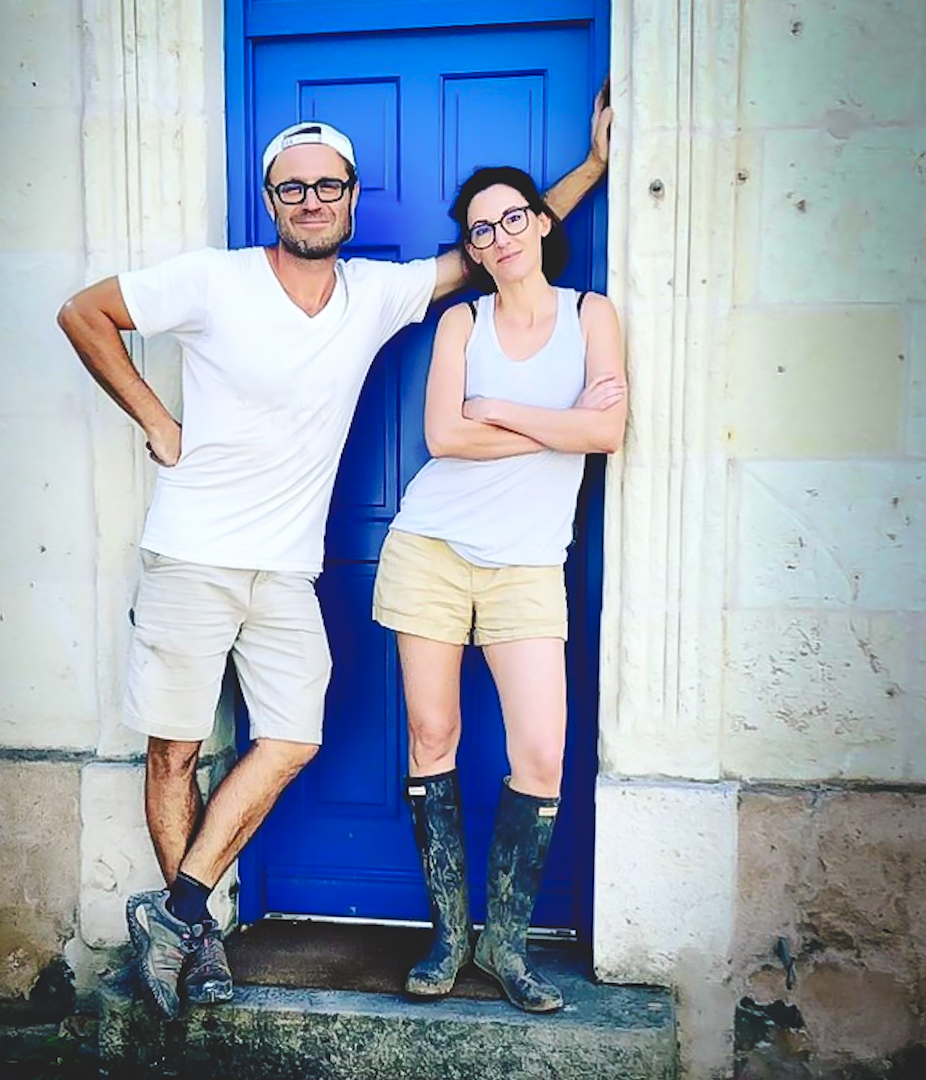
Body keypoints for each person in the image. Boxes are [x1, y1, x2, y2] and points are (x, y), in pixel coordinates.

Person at [57, 107, 611, 1021]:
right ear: (270, 199)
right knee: (175, 749)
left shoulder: (375, 295)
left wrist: (590, 168)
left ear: (352, 199)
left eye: (329, 186)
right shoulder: (216, 280)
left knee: (293, 736)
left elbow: (504, 242)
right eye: (293, 188)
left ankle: (176, 911)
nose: (312, 201)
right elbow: (85, 314)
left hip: (286, 567)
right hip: (191, 551)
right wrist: (157, 421)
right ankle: (196, 942)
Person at [371, 165, 626, 1013]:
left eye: (513, 218)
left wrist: (504, 411)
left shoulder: (593, 316)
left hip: (527, 564)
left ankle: (505, 943)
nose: (499, 237)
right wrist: (562, 429)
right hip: (432, 548)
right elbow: (444, 436)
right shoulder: (459, 322)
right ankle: (450, 936)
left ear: (542, 223)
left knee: (542, 754)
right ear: (472, 251)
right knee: (430, 736)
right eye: (480, 230)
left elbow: (610, 430)